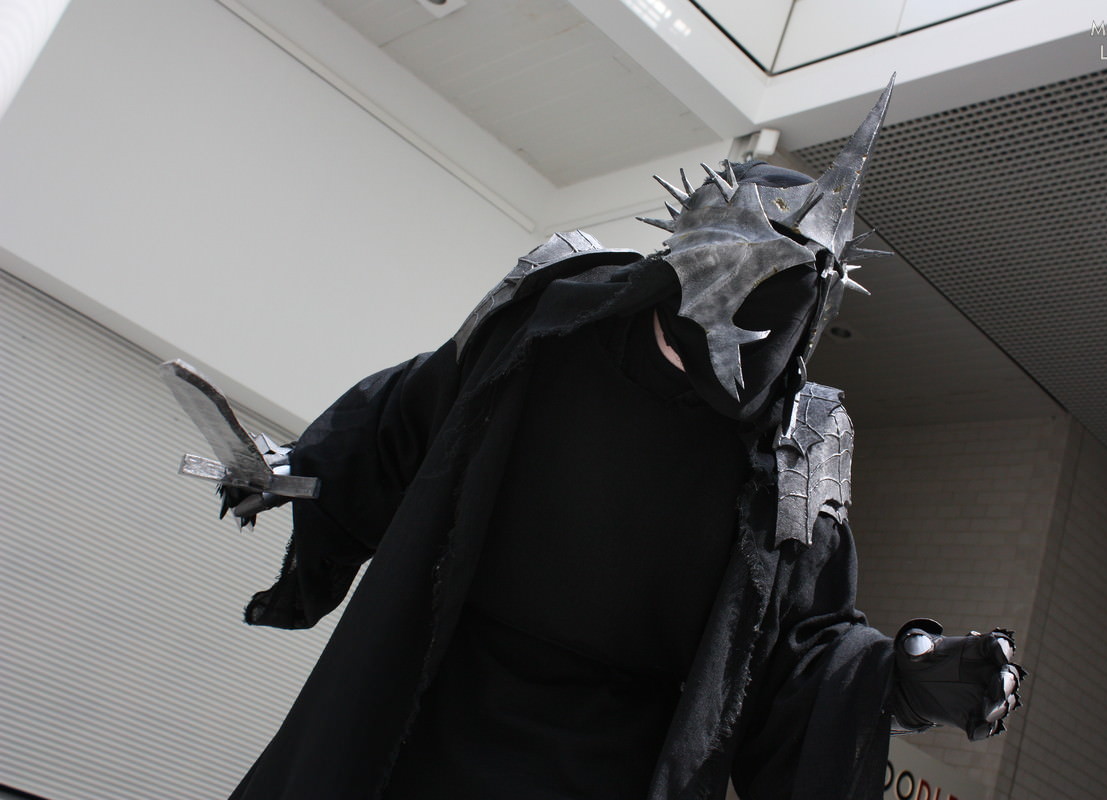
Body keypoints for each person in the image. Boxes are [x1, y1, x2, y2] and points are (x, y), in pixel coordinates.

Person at [220, 81, 1023, 800]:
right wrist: (305, 469)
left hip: (617, 764)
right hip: (428, 702)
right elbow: (412, 415)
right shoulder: (547, 314)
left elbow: (796, 643)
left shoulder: (802, 441)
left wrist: (899, 677)